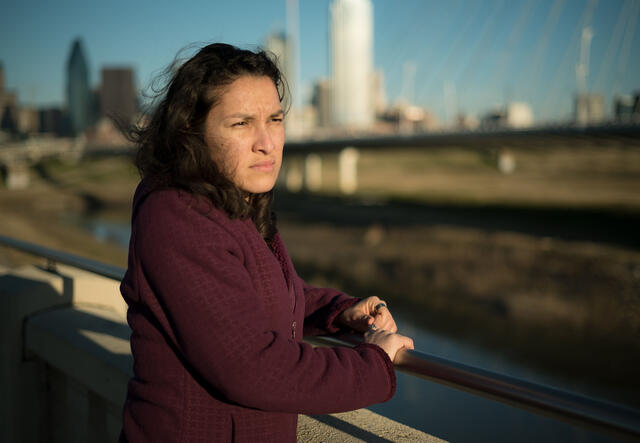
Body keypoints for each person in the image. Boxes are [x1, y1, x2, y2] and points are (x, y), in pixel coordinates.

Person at [119, 42, 414, 443]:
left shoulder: (232, 202)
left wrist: (338, 311)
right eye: (241, 123)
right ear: (191, 130)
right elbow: (255, 370)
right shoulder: (177, 216)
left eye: (275, 119)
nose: (267, 142)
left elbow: (258, 295)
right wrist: (373, 361)